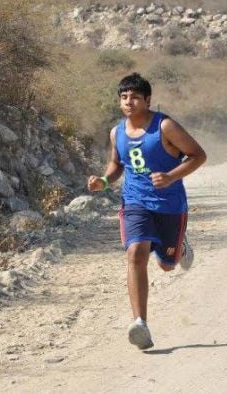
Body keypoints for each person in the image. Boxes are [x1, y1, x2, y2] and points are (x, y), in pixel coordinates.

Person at [86, 72, 207, 350]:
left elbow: (198, 155)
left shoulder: (164, 126)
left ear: (147, 100)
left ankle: (179, 246)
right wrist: (104, 181)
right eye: (124, 97)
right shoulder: (117, 132)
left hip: (170, 206)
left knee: (167, 265)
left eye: (135, 97)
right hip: (135, 203)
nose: (129, 102)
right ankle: (140, 323)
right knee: (136, 253)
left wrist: (172, 176)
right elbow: (117, 165)